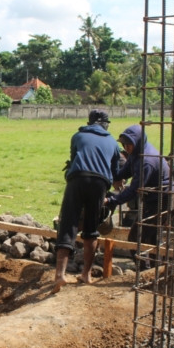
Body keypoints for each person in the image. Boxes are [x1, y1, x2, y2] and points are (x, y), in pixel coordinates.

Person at [53, 109, 124, 291]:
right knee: (92, 228)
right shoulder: (112, 143)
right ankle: (86, 274)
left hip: (77, 179)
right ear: (106, 125)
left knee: (68, 223)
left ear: (89, 122)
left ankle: (59, 275)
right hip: (100, 184)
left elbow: (73, 159)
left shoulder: (78, 136)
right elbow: (116, 173)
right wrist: (118, 186)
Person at [107, 124, 172, 269]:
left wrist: (112, 200)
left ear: (137, 142)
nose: (126, 147)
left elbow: (135, 189)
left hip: (162, 199)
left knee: (136, 236)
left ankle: (145, 271)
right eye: (124, 144)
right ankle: (155, 269)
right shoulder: (136, 153)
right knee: (151, 236)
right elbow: (122, 173)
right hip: (152, 198)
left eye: (129, 144)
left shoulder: (146, 161)